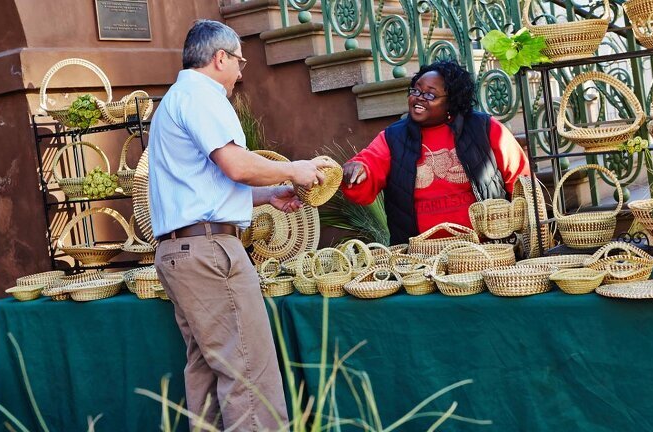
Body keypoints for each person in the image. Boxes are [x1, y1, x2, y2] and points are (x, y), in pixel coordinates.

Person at [148, 20, 331, 431]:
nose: (241, 72)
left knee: (208, 370)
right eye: (239, 61)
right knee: (250, 371)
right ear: (220, 58)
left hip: (180, 252)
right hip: (210, 252)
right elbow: (235, 164)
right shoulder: (203, 95)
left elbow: (203, 189)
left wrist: (267, 194)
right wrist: (296, 170)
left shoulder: (175, 100)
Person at [341, 60, 530, 245]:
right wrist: (357, 171)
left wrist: (526, 230)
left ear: (452, 102)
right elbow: (368, 168)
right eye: (416, 90)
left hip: (487, 248)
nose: (419, 97)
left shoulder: (484, 128)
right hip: (419, 258)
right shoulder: (393, 137)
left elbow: (522, 182)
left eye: (431, 95)